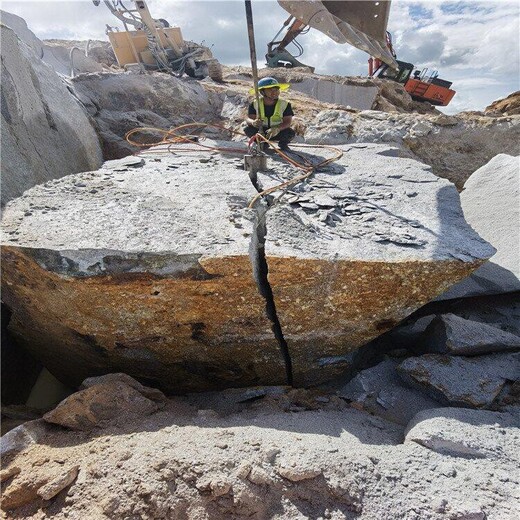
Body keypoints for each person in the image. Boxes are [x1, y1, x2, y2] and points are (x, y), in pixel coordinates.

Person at [244, 77, 296, 151]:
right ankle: (263, 143)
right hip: (261, 132)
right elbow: (249, 119)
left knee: (289, 132)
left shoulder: (285, 104)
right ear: (262, 92)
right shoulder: (254, 104)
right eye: (270, 90)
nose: (274, 92)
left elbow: (287, 122)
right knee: (248, 130)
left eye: (276, 89)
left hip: (277, 131)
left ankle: (283, 144)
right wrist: (253, 122)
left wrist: (277, 129)